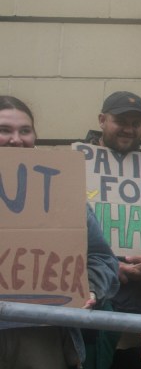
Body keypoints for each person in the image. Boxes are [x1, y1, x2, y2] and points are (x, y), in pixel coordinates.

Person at [0, 95, 120, 368]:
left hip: (42, 337)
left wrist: (89, 288)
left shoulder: (63, 195)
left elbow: (102, 260)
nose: (16, 139)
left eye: (25, 131)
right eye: (4, 130)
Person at [84, 91, 141, 369]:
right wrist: (106, 267)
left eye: (136, 122)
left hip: (139, 326)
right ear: (102, 120)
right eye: (121, 120)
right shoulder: (73, 168)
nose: (129, 129)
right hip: (90, 319)